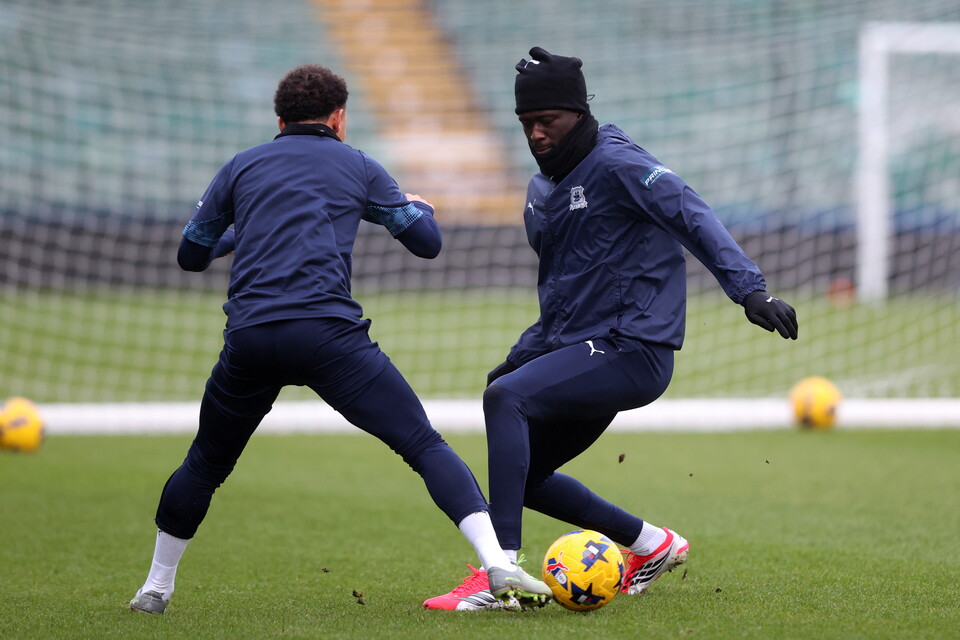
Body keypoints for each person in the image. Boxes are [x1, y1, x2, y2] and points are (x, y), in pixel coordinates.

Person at [129, 64, 551, 614]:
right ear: (339, 117)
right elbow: (426, 243)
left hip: (253, 337)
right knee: (424, 446)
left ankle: (155, 589)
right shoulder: (359, 166)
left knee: (205, 465)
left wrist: (240, 233)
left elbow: (190, 256)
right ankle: (497, 561)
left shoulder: (240, 166)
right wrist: (418, 207)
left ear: (279, 121)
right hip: (329, 336)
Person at [423, 47, 798, 611]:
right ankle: (652, 545)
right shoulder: (540, 191)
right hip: (585, 347)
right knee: (525, 474)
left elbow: (692, 214)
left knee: (507, 400)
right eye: (526, 123)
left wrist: (748, 289)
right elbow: (566, 294)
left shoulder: (621, 164)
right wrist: (526, 352)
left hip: (633, 350)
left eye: (546, 120)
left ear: (577, 112)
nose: (536, 134)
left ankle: (498, 578)